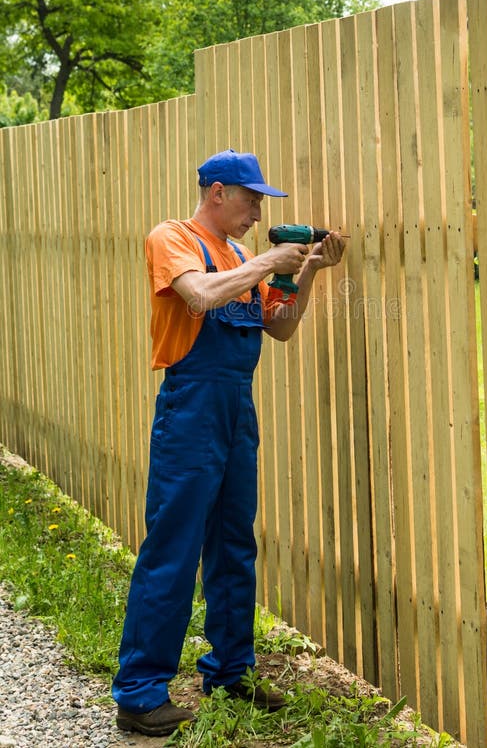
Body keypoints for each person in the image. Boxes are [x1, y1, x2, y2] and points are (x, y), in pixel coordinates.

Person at [112, 148, 346, 737]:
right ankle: (140, 692)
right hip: (191, 409)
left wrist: (309, 268)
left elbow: (282, 327)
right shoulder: (173, 238)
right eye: (251, 199)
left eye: (262, 202)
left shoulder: (242, 255)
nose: (257, 210)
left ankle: (230, 670)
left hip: (237, 409)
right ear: (217, 193)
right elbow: (200, 296)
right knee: (173, 547)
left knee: (234, 545)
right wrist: (269, 260)